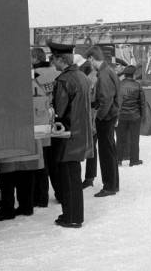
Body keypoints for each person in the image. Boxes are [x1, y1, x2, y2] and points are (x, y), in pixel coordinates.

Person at [49, 41, 93, 228]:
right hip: (81, 133)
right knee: (74, 177)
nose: (53, 64)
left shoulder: (64, 80)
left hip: (67, 135)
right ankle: (74, 215)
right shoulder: (82, 76)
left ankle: (71, 217)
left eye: (54, 60)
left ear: (61, 59)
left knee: (68, 178)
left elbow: (60, 109)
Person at [85, 46, 120, 197]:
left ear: (92, 58)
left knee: (106, 154)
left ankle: (109, 186)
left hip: (105, 118)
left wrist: (98, 116)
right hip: (110, 116)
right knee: (110, 152)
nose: (89, 64)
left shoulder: (104, 74)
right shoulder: (109, 71)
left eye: (89, 60)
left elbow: (106, 99)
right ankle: (113, 184)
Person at [31, 48, 61, 207]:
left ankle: (41, 197)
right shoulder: (56, 73)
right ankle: (60, 193)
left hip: (40, 123)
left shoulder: (34, 74)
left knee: (41, 162)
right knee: (55, 161)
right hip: (55, 122)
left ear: (35, 58)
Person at [74, 54, 98, 189]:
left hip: (91, 116)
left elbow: (91, 100)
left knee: (91, 147)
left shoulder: (90, 78)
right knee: (91, 147)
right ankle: (89, 177)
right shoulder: (91, 76)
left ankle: (89, 178)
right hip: (91, 116)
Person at [116, 65, 146, 166]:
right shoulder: (138, 86)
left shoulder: (119, 85)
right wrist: (142, 116)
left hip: (121, 116)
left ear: (124, 74)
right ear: (133, 75)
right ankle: (134, 160)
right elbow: (142, 103)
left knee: (120, 139)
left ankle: (118, 160)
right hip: (135, 116)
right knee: (134, 139)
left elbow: (116, 101)